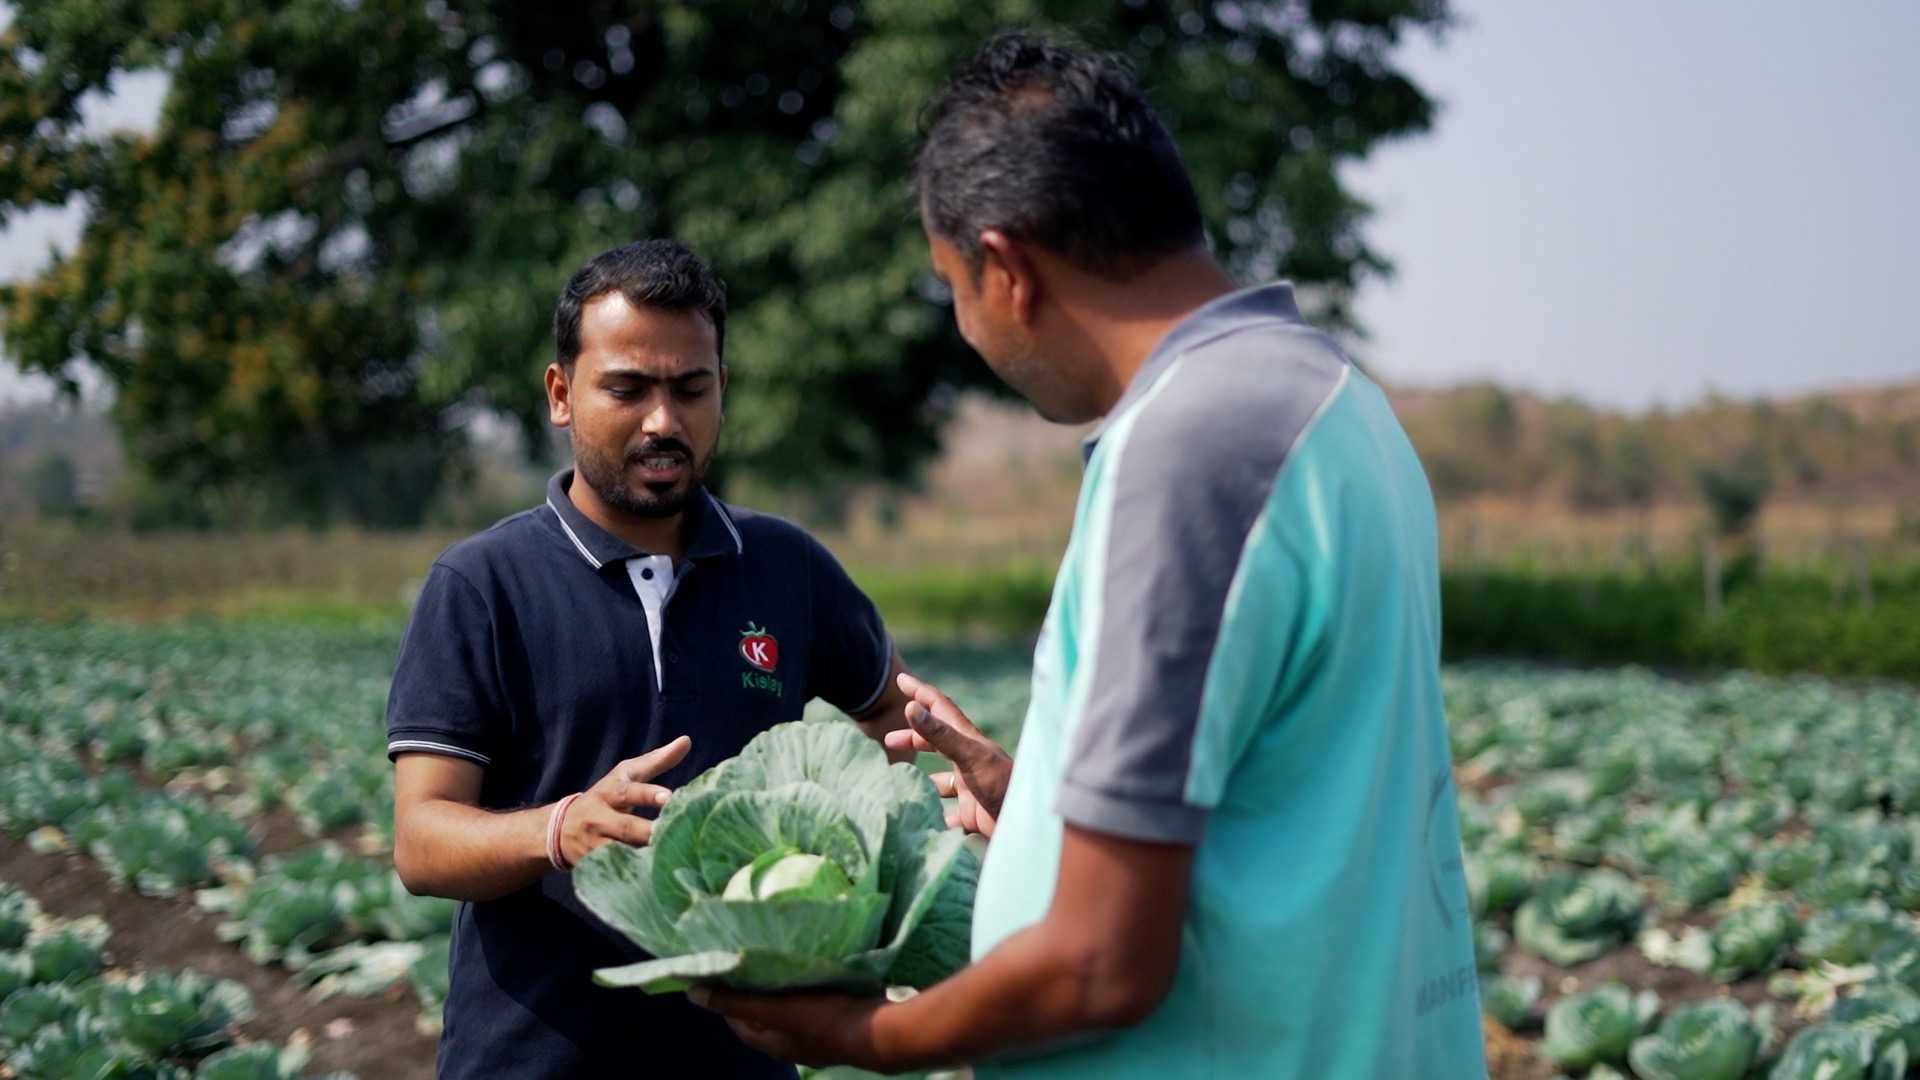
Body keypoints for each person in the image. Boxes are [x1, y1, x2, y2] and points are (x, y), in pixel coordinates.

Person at [693, 31, 1489, 1079]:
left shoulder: (1196, 448)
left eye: (952, 286)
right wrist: (1038, 808)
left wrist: (863, 1036)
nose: (967, 328)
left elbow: (1106, 963)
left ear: (1009, 270)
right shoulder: (1339, 404)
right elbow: (1280, 801)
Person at [386, 239, 914, 1079]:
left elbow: (895, 713)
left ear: (722, 390)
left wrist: (875, 846)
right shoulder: (483, 584)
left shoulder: (787, 565)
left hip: (745, 1062)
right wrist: (560, 829)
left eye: (690, 389)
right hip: (529, 1062)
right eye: (627, 389)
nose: (663, 421)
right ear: (561, 395)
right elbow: (422, 841)